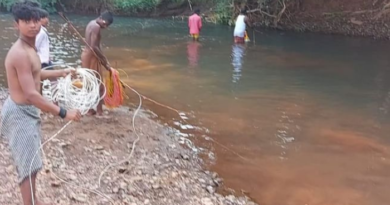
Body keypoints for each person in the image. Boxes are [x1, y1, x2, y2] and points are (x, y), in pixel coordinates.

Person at [1, 2, 81, 205]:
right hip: (19, 113)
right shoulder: (19, 52)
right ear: (16, 25)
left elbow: (37, 74)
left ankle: (34, 200)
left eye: (35, 20)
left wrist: (61, 72)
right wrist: (63, 113)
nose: (33, 25)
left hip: (29, 112)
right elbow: (30, 94)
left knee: (32, 163)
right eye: (26, 21)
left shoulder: (31, 48)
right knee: (26, 167)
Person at [81, 11, 114, 117]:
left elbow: (94, 45)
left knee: (89, 84)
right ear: (100, 18)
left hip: (86, 55)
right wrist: (104, 61)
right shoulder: (96, 27)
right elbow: (94, 47)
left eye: (107, 25)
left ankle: (89, 109)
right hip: (91, 57)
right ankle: (99, 112)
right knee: (100, 87)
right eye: (105, 24)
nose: (105, 27)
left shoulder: (91, 23)